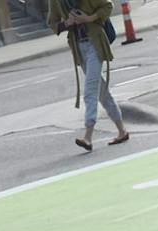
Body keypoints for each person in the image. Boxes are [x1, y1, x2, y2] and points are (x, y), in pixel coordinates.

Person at [48, 0, 128, 150]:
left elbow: (108, 5)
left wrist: (89, 18)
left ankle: (88, 136)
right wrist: (68, 23)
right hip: (79, 47)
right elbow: (52, 24)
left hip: (95, 44)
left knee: (90, 90)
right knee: (102, 92)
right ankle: (122, 131)